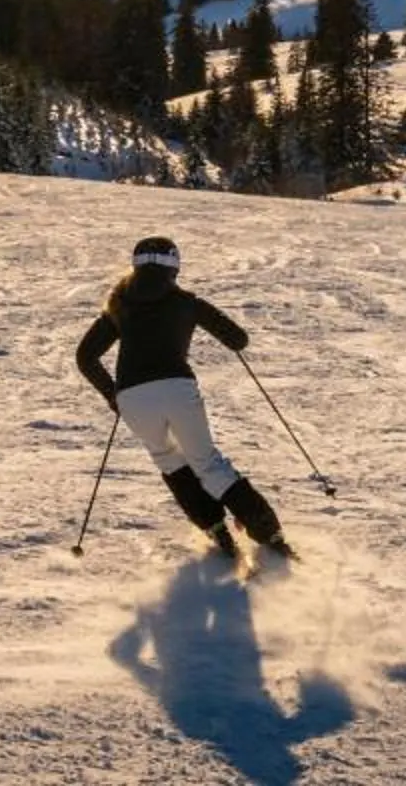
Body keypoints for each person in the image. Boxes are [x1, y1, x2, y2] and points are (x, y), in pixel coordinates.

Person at [75, 234, 293, 567]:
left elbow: (85, 357)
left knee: (170, 461)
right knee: (208, 463)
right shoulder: (186, 302)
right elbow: (239, 339)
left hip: (133, 397)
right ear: (174, 268)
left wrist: (112, 394)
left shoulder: (119, 306)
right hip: (176, 388)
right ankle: (269, 536)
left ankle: (216, 529)